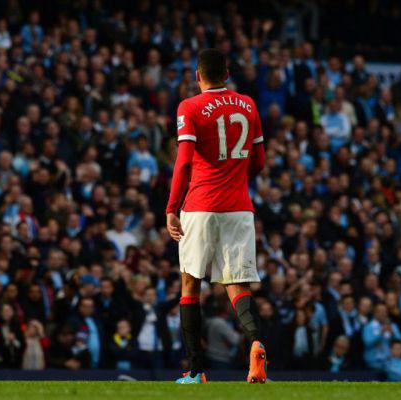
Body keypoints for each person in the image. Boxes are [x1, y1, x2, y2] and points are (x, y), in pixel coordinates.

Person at [166, 48, 266, 384]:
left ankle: (195, 371)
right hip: (239, 207)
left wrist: (171, 208)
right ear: (227, 73)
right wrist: (235, 178)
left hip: (201, 205)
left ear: (198, 75)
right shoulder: (248, 105)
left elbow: (183, 162)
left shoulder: (190, 107)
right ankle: (256, 342)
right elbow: (259, 162)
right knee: (236, 284)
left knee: (190, 282)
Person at [362, 304, 401, 370]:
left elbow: (400, 340)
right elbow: (367, 343)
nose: (383, 314)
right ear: (375, 313)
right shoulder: (368, 327)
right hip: (373, 362)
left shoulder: (392, 325)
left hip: (389, 361)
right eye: (380, 311)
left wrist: (393, 333)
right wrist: (380, 334)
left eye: (385, 311)